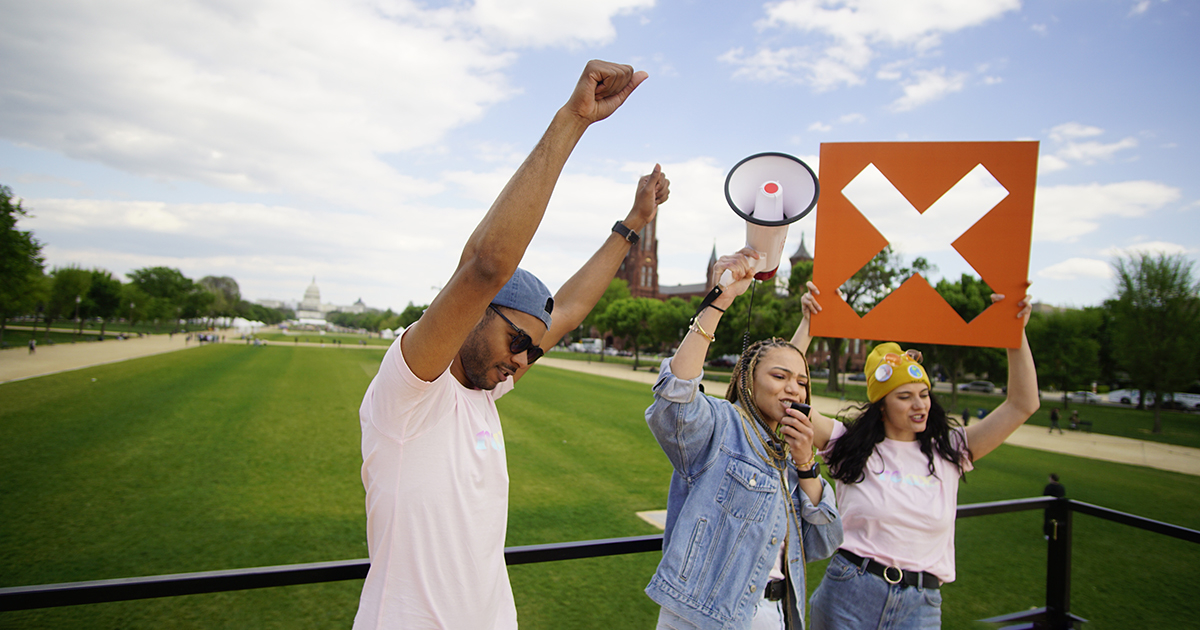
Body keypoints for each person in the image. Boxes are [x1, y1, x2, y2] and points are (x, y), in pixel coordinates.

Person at [353, 60, 666, 630]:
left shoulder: (483, 391)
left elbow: (566, 312)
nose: (522, 362)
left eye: (532, 352)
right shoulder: (410, 393)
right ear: (476, 313)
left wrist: (632, 224)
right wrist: (574, 121)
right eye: (516, 340)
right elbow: (486, 265)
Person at [793, 281, 1038, 629]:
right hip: (849, 593)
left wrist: (1016, 332)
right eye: (904, 396)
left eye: (923, 394)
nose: (920, 404)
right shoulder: (847, 444)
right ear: (882, 407)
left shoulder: (949, 449)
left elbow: (1022, 404)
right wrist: (809, 325)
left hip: (920, 606)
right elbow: (787, 400)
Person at [644, 249, 841, 630]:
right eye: (780, 378)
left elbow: (824, 539)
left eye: (802, 382)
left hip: (777, 613)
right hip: (704, 616)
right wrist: (719, 301)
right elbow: (674, 401)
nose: (794, 390)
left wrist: (806, 465)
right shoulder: (723, 426)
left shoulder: (788, 454)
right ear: (749, 379)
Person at [1042, 473, 1066, 539]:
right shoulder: (1061, 487)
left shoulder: (1049, 486)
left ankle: (1047, 534)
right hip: (1059, 506)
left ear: (1051, 478)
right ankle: (1057, 533)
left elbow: (1045, 495)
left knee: (1047, 519)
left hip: (1050, 506)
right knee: (1057, 519)